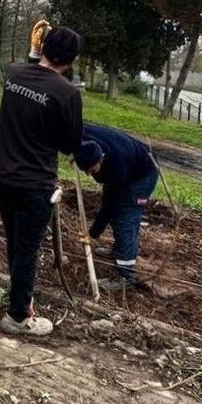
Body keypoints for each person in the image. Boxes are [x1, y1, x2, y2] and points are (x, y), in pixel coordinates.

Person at [0, 26, 85, 336]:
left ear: (42, 46)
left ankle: (20, 299)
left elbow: (31, 72)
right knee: (28, 248)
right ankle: (18, 316)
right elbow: (70, 143)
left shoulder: (13, 73)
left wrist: (35, 52)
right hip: (35, 181)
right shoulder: (67, 93)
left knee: (16, 242)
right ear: (71, 58)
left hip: (3, 174)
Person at [75, 124, 160, 291]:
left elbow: (109, 203)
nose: (90, 175)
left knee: (125, 217)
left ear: (102, 157)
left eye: (92, 170)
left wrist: (93, 232)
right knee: (119, 214)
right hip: (130, 165)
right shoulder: (79, 136)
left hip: (144, 173)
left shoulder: (117, 164)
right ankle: (120, 250)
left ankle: (125, 275)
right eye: (86, 171)